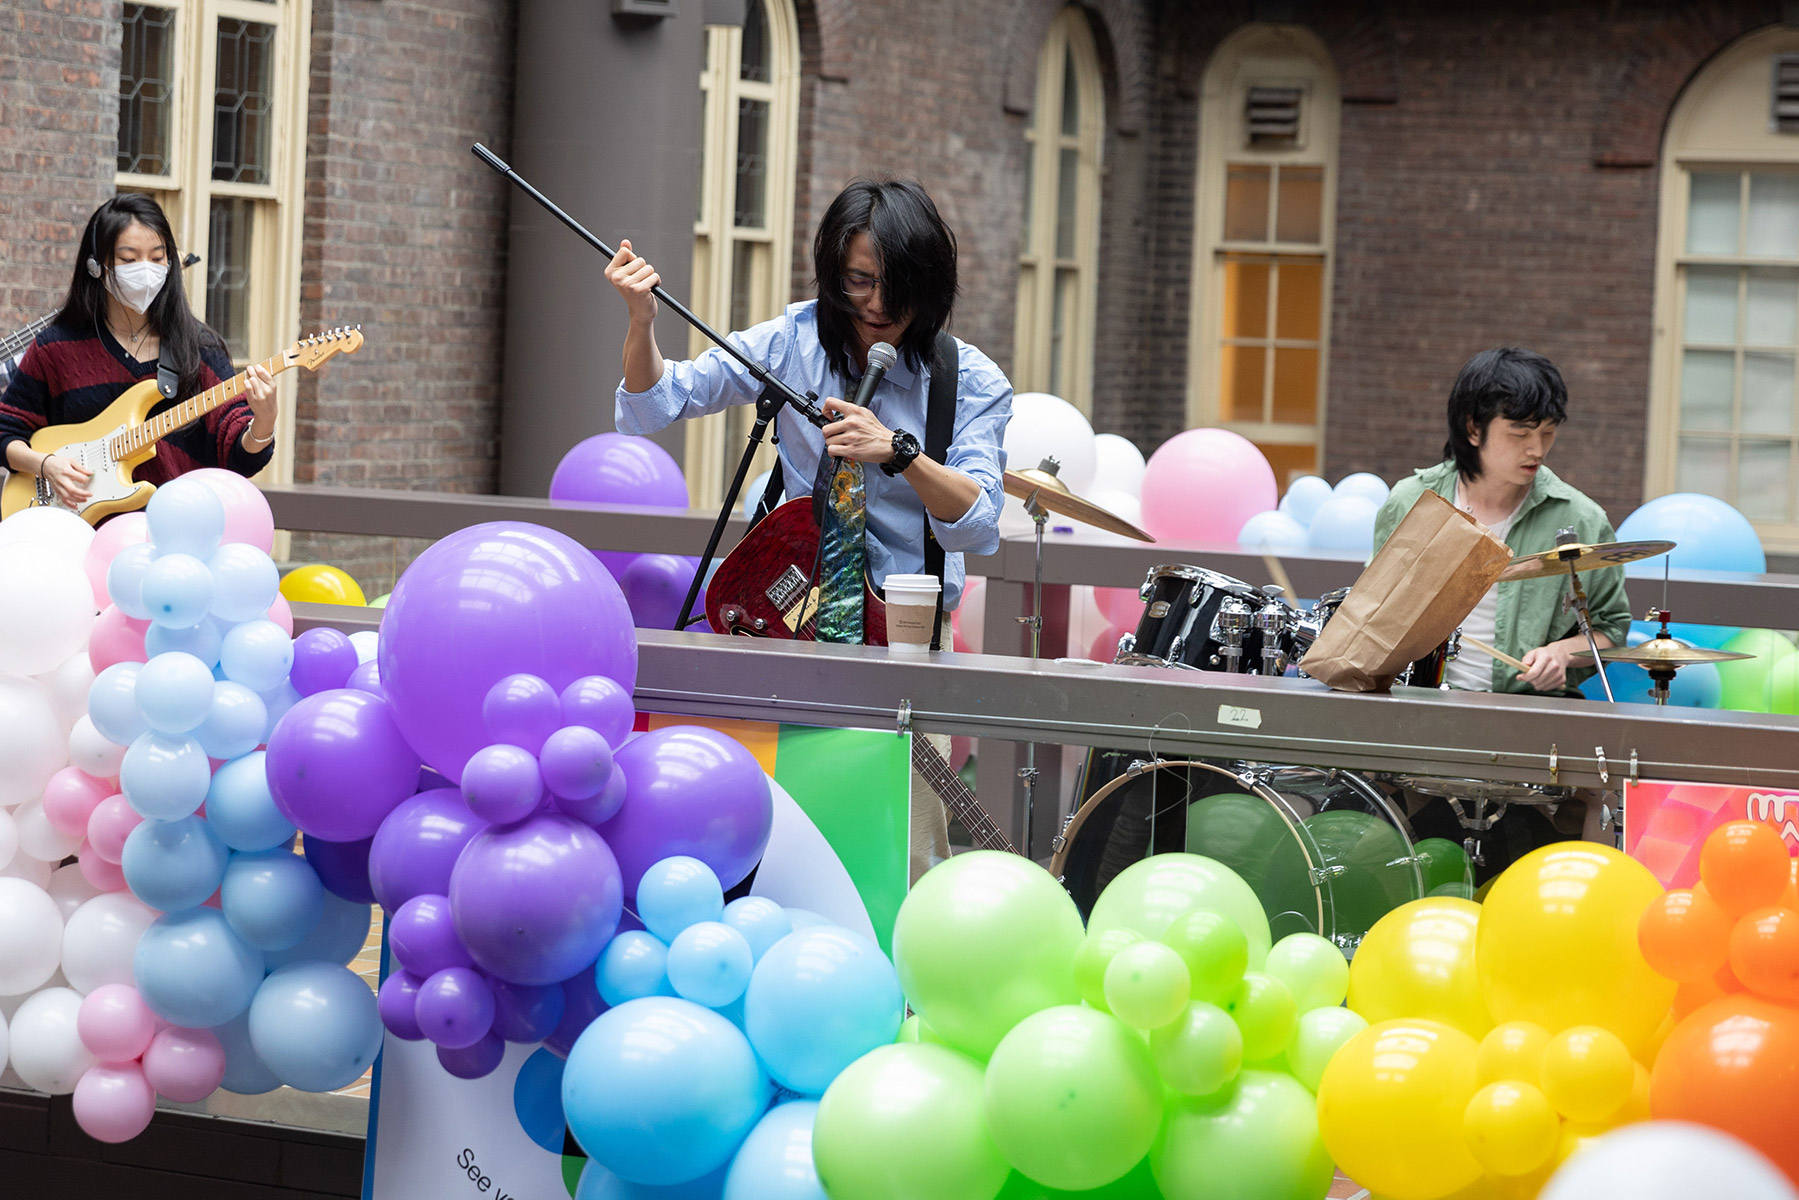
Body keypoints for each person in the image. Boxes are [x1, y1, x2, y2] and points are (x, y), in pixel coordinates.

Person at [606, 178, 1013, 881]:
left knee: (907, 850)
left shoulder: (968, 381)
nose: (878, 305)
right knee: (782, 836)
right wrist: (641, 322)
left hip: (906, 643)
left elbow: (977, 525)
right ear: (833, 273)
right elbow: (653, 405)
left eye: (898, 285)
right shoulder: (791, 340)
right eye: (859, 282)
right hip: (787, 622)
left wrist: (901, 452)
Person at [1372, 347, 1630, 696]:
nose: (1537, 449)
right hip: (1420, 703)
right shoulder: (1410, 502)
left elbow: (1611, 629)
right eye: (1521, 434)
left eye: (1548, 433)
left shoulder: (1582, 518)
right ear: (1473, 429)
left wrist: (1560, 655)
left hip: (1527, 713)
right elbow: (1375, 612)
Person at [0, 194, 277, 509]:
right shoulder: (55, 348)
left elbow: (240, 457)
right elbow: (7, 428)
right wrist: (45, 464)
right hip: (78, 536)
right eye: (129, 260)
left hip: (176, 532)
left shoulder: (199, 348)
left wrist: (264, 422)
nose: (146, 271)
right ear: (95, 266)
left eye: (157, 258)